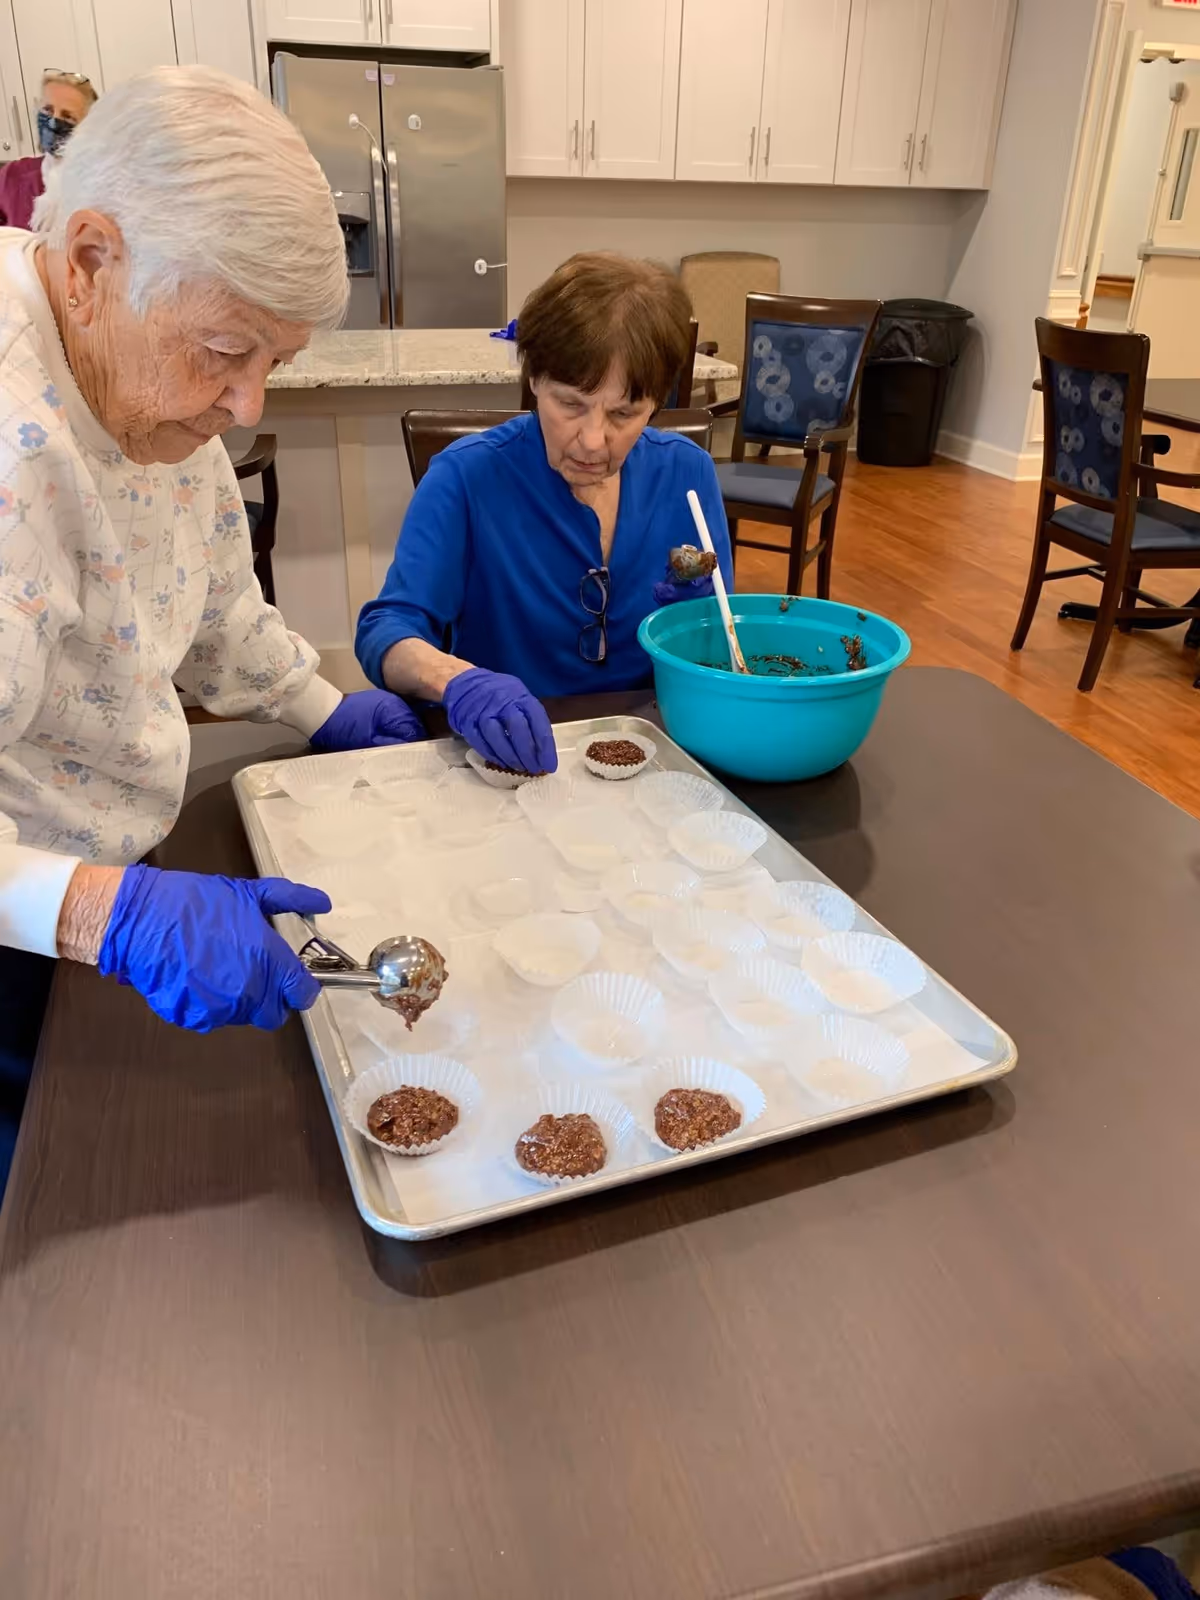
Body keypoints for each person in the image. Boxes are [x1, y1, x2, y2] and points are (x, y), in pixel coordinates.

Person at [0, 63, 430, 1180]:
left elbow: (214, 608)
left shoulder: (150, 395)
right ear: (92, 262)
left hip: (111, 868)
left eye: (273, 363)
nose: (248, 408)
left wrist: (327, 708)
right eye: (228, 352)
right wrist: (103, 915)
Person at [355, 252, 733, 776]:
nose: (594, 440)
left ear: (655, 405)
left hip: (655, 755)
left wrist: (696, 622)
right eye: (570, 404)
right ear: (534, 379)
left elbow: (720, 636)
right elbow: (387, 631)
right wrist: (454, 679)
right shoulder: (466, 479)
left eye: (625, 413)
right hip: (510, 759)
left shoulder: (687, 475)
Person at [0, 69, 98, 231]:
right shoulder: (12, 176)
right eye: (48, 110)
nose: (53, 122)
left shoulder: (99, 183)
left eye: (67, 116)